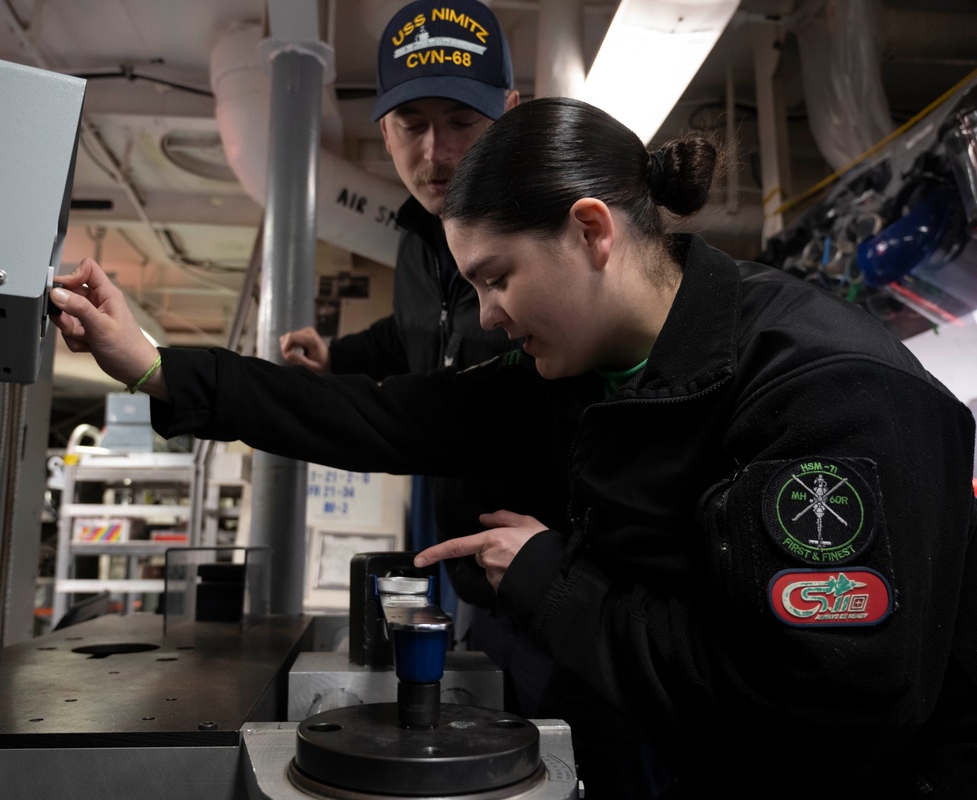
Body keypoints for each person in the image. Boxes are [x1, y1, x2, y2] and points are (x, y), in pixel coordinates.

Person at [49, 96, 977, 797]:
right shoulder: (573, 373)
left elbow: (821, 707)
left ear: (589, 231)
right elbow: (374, 412)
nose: (486, 315)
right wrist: (155, 366)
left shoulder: (828, 395)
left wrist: (549, 576)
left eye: (497, 280)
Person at [277, 0, 574, 747]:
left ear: (509, 115)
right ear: (383, 128)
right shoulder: (419, 243)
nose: (436, 154)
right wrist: (340, 354)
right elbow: (417, 331)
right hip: (472, 579)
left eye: (461, 122)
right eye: (413, 125)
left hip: (565, 581)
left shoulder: (551, 232)